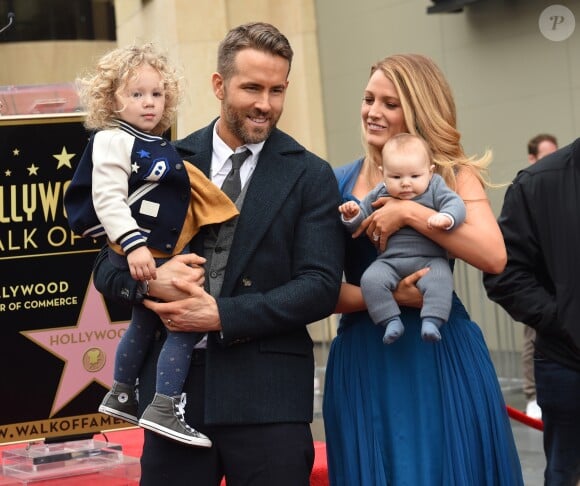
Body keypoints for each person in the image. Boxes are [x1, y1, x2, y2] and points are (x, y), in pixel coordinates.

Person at [91, 22, 344, 486]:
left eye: (277, 90)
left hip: (268, 398)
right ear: (218, 85)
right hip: (172, 397)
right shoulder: (162, 158)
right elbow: (105, 269)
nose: (265, 104)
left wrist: (221, 314)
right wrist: (151, 281)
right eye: (251, 88)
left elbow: (320, 287)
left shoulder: (311, 174)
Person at [323, 53, 524, 485]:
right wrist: (392, 296)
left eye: (390, 103)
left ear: (417, 110)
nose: (373, 112)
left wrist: (410, 214)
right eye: (368, 99)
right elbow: (318, 289)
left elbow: (494, 255)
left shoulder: (451, 175)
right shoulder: (336, 183)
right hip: (366, 357)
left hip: (441, 352)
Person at [64, 43, 239, 447]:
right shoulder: (112, 138)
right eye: (136, 94)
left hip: (157, 250)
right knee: (182, 324)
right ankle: (163, 405)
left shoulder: (153, 141)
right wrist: (134, 245)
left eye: (157, 94)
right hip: (142, 250)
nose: (149, 104)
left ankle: (122, 393)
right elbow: (106, 198)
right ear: (111, 99)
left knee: (144, 323)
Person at [483, 139, 580, 486]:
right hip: (568, 364)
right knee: (565, 473)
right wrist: (563, 319)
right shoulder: (539, 183)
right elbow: (505, 273)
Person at [339, 133, 466, 344]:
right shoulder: (379, 192)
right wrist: (350, 215)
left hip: (429, 259)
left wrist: (447, 217)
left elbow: (456, 204)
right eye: (396, 177)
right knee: (370, 280)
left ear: (430, 172)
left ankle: (432, 321)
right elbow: (360, 221)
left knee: (440, 279)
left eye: (415, 176)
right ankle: (390, 320)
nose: (406, 183)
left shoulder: (435, 186)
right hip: (390, 261)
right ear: (383, 174)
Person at [520, 133, 558, 420]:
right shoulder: (527, 187)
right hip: (539, 283)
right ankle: (533, 395)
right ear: (532, 158)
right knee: (533, 336)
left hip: (560, 282)